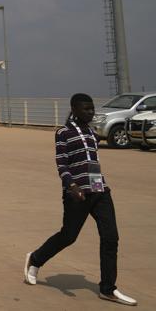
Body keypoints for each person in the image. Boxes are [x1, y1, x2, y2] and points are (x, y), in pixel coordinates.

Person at [23, 94, 136, 306]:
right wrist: (72, 186)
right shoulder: (63, 133)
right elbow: (62, 164)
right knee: (69, 236)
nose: (91, 112)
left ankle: (108, 289)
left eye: (92, 108)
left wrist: (99, 185)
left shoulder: (92, 133)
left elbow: (93, 162)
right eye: (86, 109)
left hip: (99, 190)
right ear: (74, 109)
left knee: (111, 237)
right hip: (77, 193)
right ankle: (35, 259)